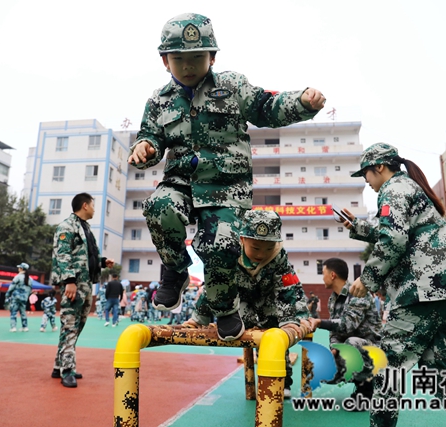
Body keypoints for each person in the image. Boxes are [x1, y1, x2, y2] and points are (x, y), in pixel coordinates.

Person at [128, 13, 325, 342]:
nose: (188, 67)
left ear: (213, 57)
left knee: (221, 246)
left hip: (226, 187)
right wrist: (144, 149)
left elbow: (267, 106)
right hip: (181, 182)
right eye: (179, 60)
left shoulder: (232, 86)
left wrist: (303, 102)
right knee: (159, 205)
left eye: (197, 58)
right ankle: (174, 271)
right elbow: (150, 138)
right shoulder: (158, 101)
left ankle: (223, 306)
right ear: (165, 61)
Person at [342, 143, 446, 425]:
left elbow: (394, 239)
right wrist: (358, 227)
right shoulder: (410, 189)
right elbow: (398, 231)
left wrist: (368, 279)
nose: (366, 181)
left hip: (421, 293)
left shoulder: (394, 189)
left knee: (388, 372)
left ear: (379, 167)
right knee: (442, 375)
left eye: (366, 173)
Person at [189, 210, 309, 399]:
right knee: (242, 327)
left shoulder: (279, 257)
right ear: (243, 239)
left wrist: (291, 321)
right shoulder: (229, 253)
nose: (262, 254)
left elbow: (288, 287)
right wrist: (199, 319)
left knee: (276, 336)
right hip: (240, 301)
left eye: (269, 248)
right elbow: (215, 287)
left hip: (269, 301)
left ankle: (284, 382)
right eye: (256, 248)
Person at [50, 192, 114, 388]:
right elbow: (62, 254)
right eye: (93, 205)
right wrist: (69, 280)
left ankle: (58, 365)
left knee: (76, 327)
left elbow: (87, 255)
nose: (95, 209)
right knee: (70, 325)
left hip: (86, 284)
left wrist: (102, 262)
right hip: (74, 285)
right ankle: (67, 370)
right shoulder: (67, 226)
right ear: (85, 205)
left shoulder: (85, 228)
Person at [309, 258, 381, 404]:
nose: (322, 277)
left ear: (333, 275)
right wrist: (334, 349)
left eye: (323, 273)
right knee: (321, 370)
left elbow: (347, 325)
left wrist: (319, 322)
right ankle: (354, 378)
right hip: (352, 345)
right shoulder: (333, 299)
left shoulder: (358, 293)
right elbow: (335, 332)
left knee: (351, 343)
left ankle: (366, 391)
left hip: (373, 349)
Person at [7, 263, 32, 332]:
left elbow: (12, 286)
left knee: (13, 312)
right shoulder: (30, 279)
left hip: (16, 297)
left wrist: (7, 294)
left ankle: (13, 327)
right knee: (23, 312)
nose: (18, 269)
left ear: (21, 269)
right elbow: (30, 290)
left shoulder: (18, 276)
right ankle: (25, 327)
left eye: (19, 268)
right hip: (24, 298)